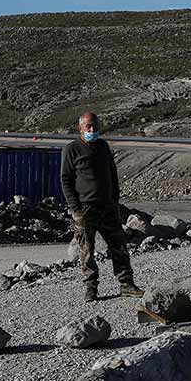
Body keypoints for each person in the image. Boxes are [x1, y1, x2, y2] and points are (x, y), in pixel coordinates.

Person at [60, 113, 143, 300]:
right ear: (80, 127)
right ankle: (91, 287)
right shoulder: (71, 150)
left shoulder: (103, 146)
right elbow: (66, 180)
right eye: (88, 126)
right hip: (85, 209)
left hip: (107, 207)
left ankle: (126, 283)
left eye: (95, 126)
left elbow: (112, 174)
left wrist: (115, 199)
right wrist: (76, 209)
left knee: (119, 245)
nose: (92, 130)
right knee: (87, 249)